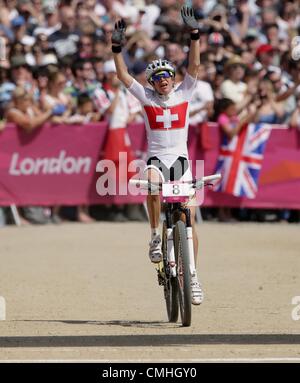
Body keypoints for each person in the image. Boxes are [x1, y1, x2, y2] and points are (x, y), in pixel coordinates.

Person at [111, 5, 204, 305]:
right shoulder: (146, 97)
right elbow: (123, 74)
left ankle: (192, 274)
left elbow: (195, 66)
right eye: (157, 77)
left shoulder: (185, 92)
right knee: (151, 183)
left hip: (182, 161)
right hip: (156, 160)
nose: (163, 80)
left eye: (167, 75)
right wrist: (116, 47)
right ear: (151, 83)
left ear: (173, 78)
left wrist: (194, 35)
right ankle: (154, 235)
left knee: (189, 221)